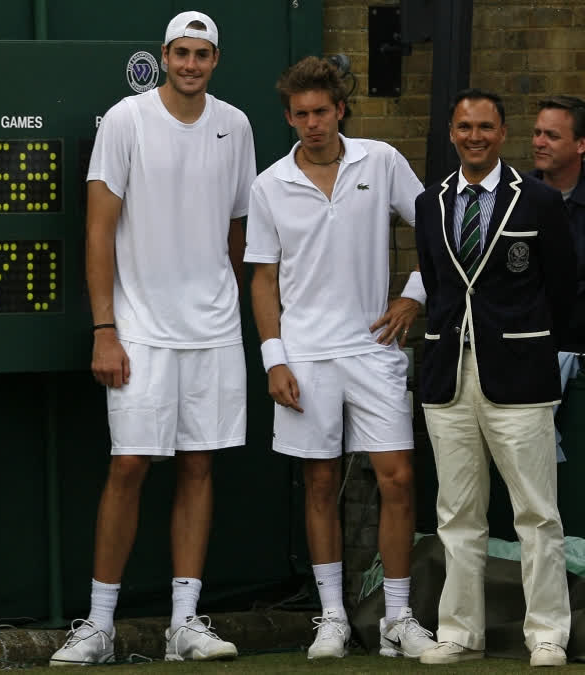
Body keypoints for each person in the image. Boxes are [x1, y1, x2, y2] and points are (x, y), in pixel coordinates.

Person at [49, 9, 255, 666]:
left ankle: (183, 623)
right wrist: (105, 328)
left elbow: (238, 230)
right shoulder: (126, 120)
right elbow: (98, 231)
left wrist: (222, 299)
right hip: (138, 331)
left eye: (202, 54)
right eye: (181, 53)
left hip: (214, 329)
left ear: (215, 61)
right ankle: (100, 625)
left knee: (199, 464)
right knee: (130, 464)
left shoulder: (237, 125)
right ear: (163, 56)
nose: (191, 64)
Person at [244, 55, 436, 661]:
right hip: (304, 355)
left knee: (398, 479)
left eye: (321, 112)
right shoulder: (270, 184)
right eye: (300, 115)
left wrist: (411, 297)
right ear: (289, 117)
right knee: (320, 482)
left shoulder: (379, 161)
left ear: (340, 110)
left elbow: (437, 231)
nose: (312, 124)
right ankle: (331, 617)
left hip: (373, 349)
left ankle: (397, 619)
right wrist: (275, 358)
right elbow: (263, 280)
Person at [414, 89, 575, 668]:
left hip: (521, 374)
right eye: (463, 127)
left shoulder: (537, 200)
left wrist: (527, 341)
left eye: (485, 126)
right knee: (456, 513)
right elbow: (437, 284)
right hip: (448, 375)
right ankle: (460, 632)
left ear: (502, 132)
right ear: (451, 133)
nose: (474, 136)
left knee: (536, 513)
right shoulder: (429, 202)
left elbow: (561, 286)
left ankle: (547, 634)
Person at [531, 95, 585, 461]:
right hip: (525, 356)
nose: (539, 142)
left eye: (551, 135)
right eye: (537, 133)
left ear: (581, 145)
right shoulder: (515, 197)